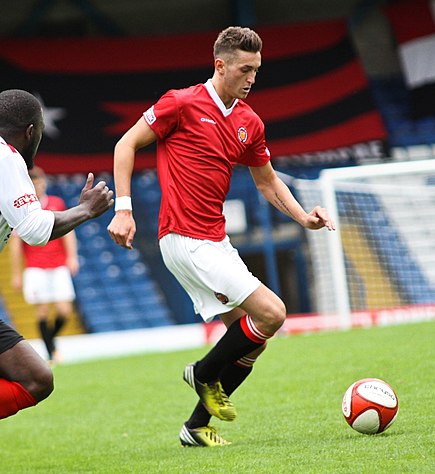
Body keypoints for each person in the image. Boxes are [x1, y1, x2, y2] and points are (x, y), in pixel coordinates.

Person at [107, 26, 335, 447]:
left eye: (257, 70)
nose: (251, 78)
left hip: (215, 240)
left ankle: (195, 427)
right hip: (183, 237)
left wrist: (304, 217)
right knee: (272, 313)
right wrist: (124, 208)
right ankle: (203, 372)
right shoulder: (181, 103)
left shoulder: (249, 122)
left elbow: (267, 182)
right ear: (220, 65)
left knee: (251, 342)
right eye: (245, 69)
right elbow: (125, 144)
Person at [0, 89, 114, 420]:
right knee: (35, 379)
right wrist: (86, 210)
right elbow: (35, 230)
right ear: (32, 133)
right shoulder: (7, 158)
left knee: (35, 377)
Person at [10, 166, 79, 364]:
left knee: (65, 311)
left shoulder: (56, 203)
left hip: (58, 265)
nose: (37, 187)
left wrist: (72, 257)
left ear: (44, 184)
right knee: (42, 311)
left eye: (39, 183)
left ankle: (51, 342)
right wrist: (16, 274)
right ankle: (51, 353)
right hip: (35, 266)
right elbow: (15, 244)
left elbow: (68, 231)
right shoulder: (22, 209)